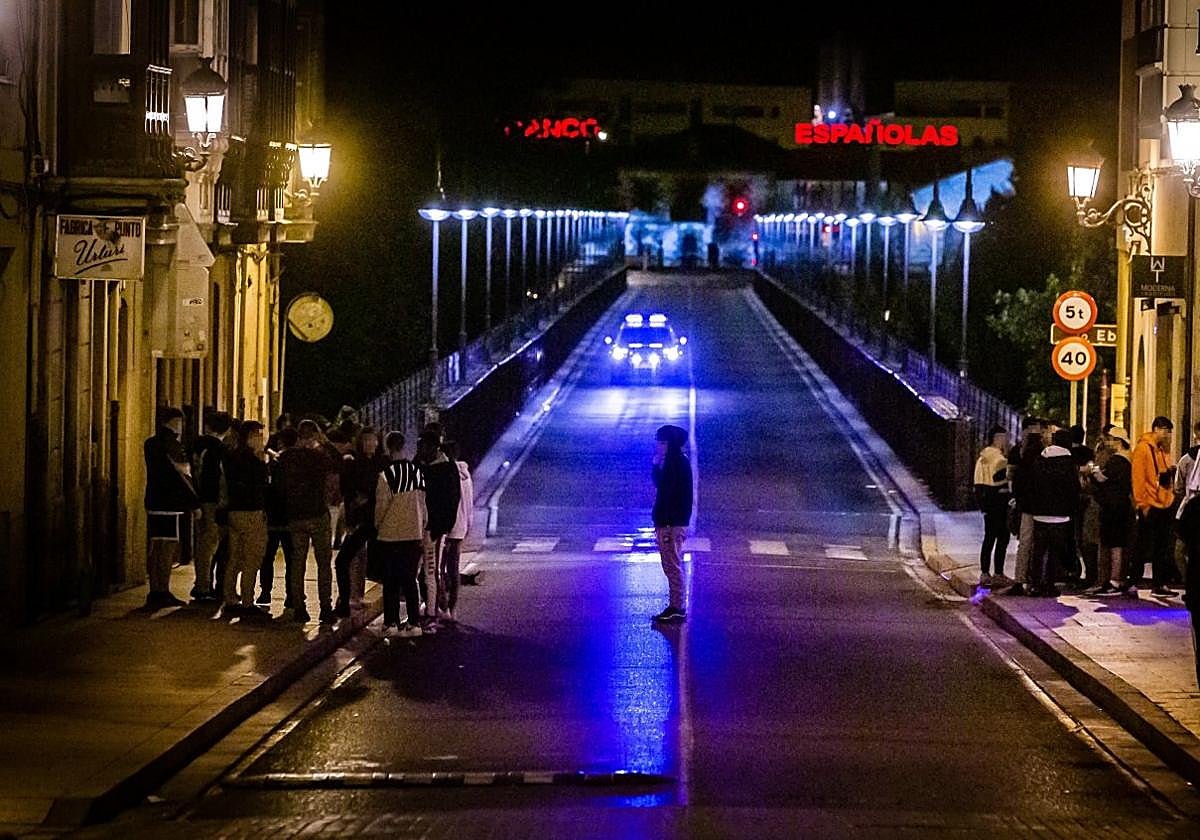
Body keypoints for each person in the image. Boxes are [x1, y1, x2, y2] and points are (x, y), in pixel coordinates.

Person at [276, 419, 335, 622]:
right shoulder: (319, 456)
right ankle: (325, 607)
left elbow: (279, 485)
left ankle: (299, 607)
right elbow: (337, 464)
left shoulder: (286, 457)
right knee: (323, 563)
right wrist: (324, 442)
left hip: (295, 515)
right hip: (317, 513)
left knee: (297, 562)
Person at [143, 407, 199, 608]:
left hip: (153, 500)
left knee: (156, 546)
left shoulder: (150, 443)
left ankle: (154, 590)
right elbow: (183, 476)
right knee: (167, 547)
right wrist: (194, 503)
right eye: (180, 422)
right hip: (170, 502)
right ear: (174, 422)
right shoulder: (173, 445)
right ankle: (162, 591)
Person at [374, 432, 427, 638]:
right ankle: (414, 623)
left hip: (390, 534)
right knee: (410, 579)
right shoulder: (417, 472)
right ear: (404, 447)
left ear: (388, 448)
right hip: (413, 533)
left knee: (391, 581)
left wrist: (377, 526)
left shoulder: (386, 475)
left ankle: (391, 622)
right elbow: (423, 504)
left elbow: (381, 508)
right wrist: (421, 525)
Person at [334, 426, 387, 617]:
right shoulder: (354, 463)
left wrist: (367, 497)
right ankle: (348, 599)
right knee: (347, 560)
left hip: (374, 521)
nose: (370, 444)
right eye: (366, 440)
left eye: (373, 440)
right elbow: (347, 490)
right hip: (359, 520)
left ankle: (351, 598)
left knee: (354, 560)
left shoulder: (382, 463)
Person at [221, 420, 269, 619]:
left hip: (234, 511)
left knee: (235, 557)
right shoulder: (252, 460)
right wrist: (262, 461)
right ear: (249, 437)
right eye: (258, 435)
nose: (261, 439)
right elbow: (261, 484)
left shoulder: (230, 456)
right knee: (252, 558)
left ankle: (230, 598)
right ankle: (248, 602)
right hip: (251, 512)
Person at [416, 430, 460, 629]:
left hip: (433, 528)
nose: (420, 449)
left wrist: (441, 528)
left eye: (423, 445)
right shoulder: (423, 465)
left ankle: (432, 613)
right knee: (422, 572)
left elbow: (451, 501)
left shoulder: (446, 469)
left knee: (431, 571)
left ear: (433, 447)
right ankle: (428, 609)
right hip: (419, 527)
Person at [1026, 428, 1079, 597]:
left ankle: (1035, 584)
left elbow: (1032, 485)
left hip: (1040, 512)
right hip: (1061, 514)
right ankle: (1050, 584)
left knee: (1039, 551)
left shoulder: (1040, 460)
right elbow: (1073, 489)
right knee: (1055, 552)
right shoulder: (1068, 463)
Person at [652, 424, 693, 622]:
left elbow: (666, 490)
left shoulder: (675, 463)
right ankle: (675, 605)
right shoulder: (675, 462)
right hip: (669, 521)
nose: (658, 446)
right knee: (670, 564)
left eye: (662, 442)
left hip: (671, 523)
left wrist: (655, 466)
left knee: (672, 565)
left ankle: (677, 607)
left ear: (670, 444)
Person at [1133, 416, 1178, 597]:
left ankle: (1159, 583)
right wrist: (1143, 505)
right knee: (1143, 545)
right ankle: (1134, 581)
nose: (1168, 435)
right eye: (1165, 431)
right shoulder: (1143, 449)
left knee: (1161, 546)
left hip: (1164, 503)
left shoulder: (1161, 450)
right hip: (1151, 504)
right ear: (1157, 429)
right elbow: (1138, 479)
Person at [1090, 427, 1136, 595]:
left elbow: (1104, 480)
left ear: (1119, 442)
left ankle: (1114, 580)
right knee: (1118, 543)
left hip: (1113, 507)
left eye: (1111, 439)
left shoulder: (1117, 461)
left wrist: (1094, 474)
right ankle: (1116, 579)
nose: (1109, 442)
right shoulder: (1128, 459)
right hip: (1122, 505)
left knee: (1113, 544)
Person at [191, 410, 231, 602]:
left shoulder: (195, 446)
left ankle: (201, 583)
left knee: (202, 545)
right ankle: (203, 587)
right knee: (211, 545)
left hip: (198, 499)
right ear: (227, 430)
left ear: (207, 426)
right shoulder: (220, 450)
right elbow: (222, 478)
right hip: (214, 501)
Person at [1006, 416, 1044, 596]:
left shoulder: (1019, 451)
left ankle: (1021, 579)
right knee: (1037, 542)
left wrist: (1015, 496)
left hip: (1026, 503)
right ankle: (1034, 579)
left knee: (1025, 541)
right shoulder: (1042, 452)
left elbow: (1012, 476)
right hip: (1039, 504)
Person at [259, 427, 296, 606]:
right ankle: (291, 595)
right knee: (292, 558)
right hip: (291, 516)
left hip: (273, 515)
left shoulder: (274, 464)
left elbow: (266, 487)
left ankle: (265, 592)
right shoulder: (297, 464)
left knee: (267, 557)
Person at [439, 440, 474, 621]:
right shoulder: (465, 475)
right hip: (460, 527)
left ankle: (442, 606)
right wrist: (468, 525)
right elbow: (469, 503)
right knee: (453, 569)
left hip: (446, 527)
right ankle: (452, 609)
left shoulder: (445, 474)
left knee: (439, 568)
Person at [973, 426, 1010, 588]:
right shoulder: (1000, 460)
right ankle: (998, 573)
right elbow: (1004, 482)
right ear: (997, 438)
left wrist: (983, 505)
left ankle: (985, 572)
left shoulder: (982, 459)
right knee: (1003, 537)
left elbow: (978, 484)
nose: (1006, 441)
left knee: (989, 537)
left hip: (988, 504)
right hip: (1000, 503)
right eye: (1004, 437)